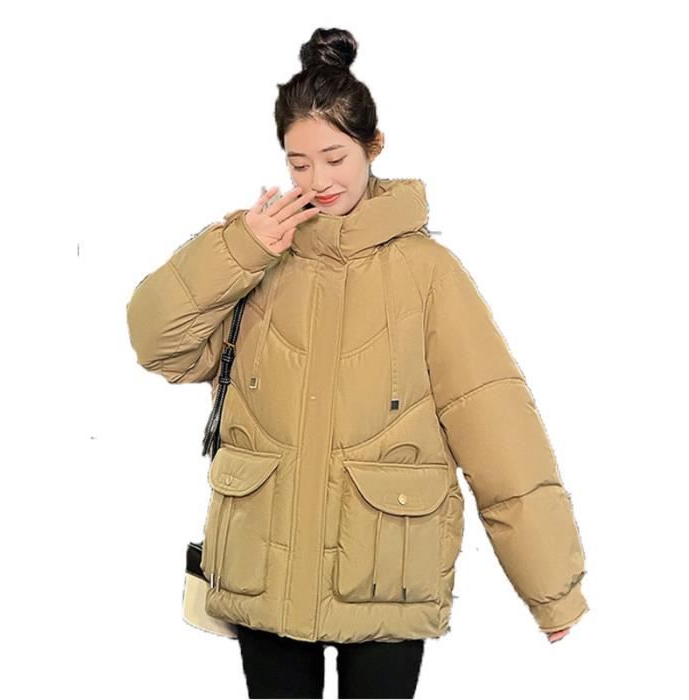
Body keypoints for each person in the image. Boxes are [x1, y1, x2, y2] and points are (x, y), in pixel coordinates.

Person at [126, 26, 588, 700]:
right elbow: (155, 342)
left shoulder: (428, 274)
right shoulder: (257, 258)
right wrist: (241, 249)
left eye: (335, 157)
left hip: (385, 577)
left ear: (374, 146)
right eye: (298, 163)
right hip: (263, 574)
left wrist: (552, 590)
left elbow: (496, 426)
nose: (318, 180)